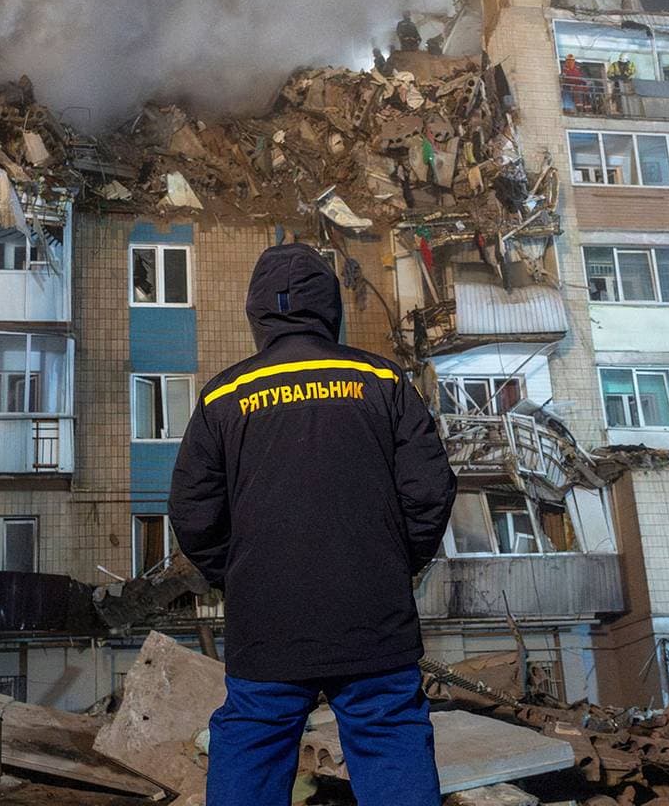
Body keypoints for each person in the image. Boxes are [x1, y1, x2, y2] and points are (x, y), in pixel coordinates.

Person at [171, 243, 457, 804]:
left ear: (257, 312)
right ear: (331, 307)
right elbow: (430, 490)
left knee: (252, 742)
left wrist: (241, 576)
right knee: (390, 734)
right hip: (372, 613)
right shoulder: (383, 380)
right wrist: (395, 563)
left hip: (268, 619)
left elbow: (192, 512)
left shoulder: (223, 396)